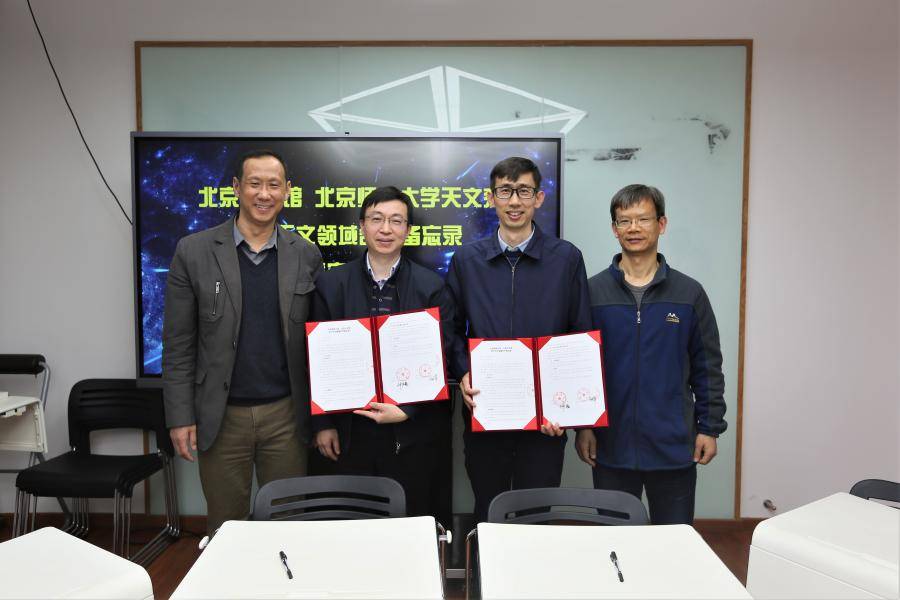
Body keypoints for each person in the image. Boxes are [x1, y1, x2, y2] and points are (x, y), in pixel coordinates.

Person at [162, 149, 322, 535]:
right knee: (226, 528)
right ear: (236, 188)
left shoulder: (306, 254)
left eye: (273, 185)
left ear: (287, 191)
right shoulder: (194, 251)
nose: (264, 194)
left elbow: (319, 343)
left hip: (286, 416)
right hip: (221, 417)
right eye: (254, 184)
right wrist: (180, 416)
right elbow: (178, 344)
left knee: (287, 525)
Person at [447, 156, 592, 523]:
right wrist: (463, 373)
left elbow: (581, 334)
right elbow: (450, 329)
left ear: (539, 198)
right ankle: (485, 563)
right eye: (505, 191)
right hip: (486, 409)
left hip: (546, 419)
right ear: (491, 198)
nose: (514, 201)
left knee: (536, 515)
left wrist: (572, 410)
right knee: (488, 509)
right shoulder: (467, 260)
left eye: (524, 191)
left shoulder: (566, 259)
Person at [576, 184, 727, 525]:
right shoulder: (592, 292)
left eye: (643, 219)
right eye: (624, 220)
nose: (634, 228)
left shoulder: (689, 293)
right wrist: (584, 428)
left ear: (661, 224)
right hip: (610, 447)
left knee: (672, 541)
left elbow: (707, 367)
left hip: (673, 446)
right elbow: (579, 368)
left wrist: (710, 427)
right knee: (614, 541)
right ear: (614, 229)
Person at [311, 186, 457, 520]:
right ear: (362, 225)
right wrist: (323, 423)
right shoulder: (331, 284)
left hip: (411, 430)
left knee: (409, 519)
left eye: (396, 220)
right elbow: (315, 360)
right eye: (376, 219)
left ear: (408, 229)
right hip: (349, 429)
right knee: (353, 521)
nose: (386, 229)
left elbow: (444, 354)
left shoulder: (431, 287)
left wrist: (407, 409)